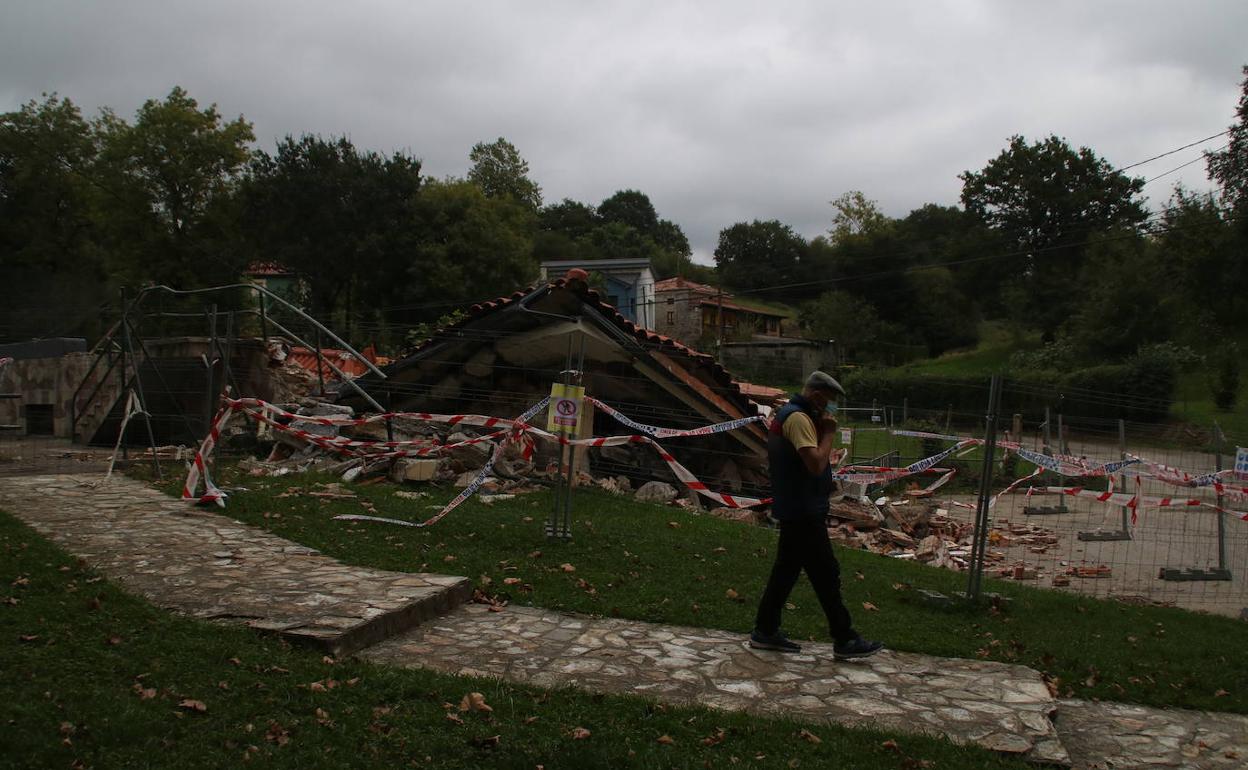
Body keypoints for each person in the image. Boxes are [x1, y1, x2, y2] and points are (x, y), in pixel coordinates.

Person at [750, 371, 884, 660]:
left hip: (797, 506)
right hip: (803, 509)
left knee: (786, 572)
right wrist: (829, 433)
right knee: (826, 573)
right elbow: (814, 464)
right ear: (817, 396)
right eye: (830, 402)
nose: (831, 409)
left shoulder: (794, 415)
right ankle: (844, 638)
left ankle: (765, 630)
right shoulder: (798, 419)